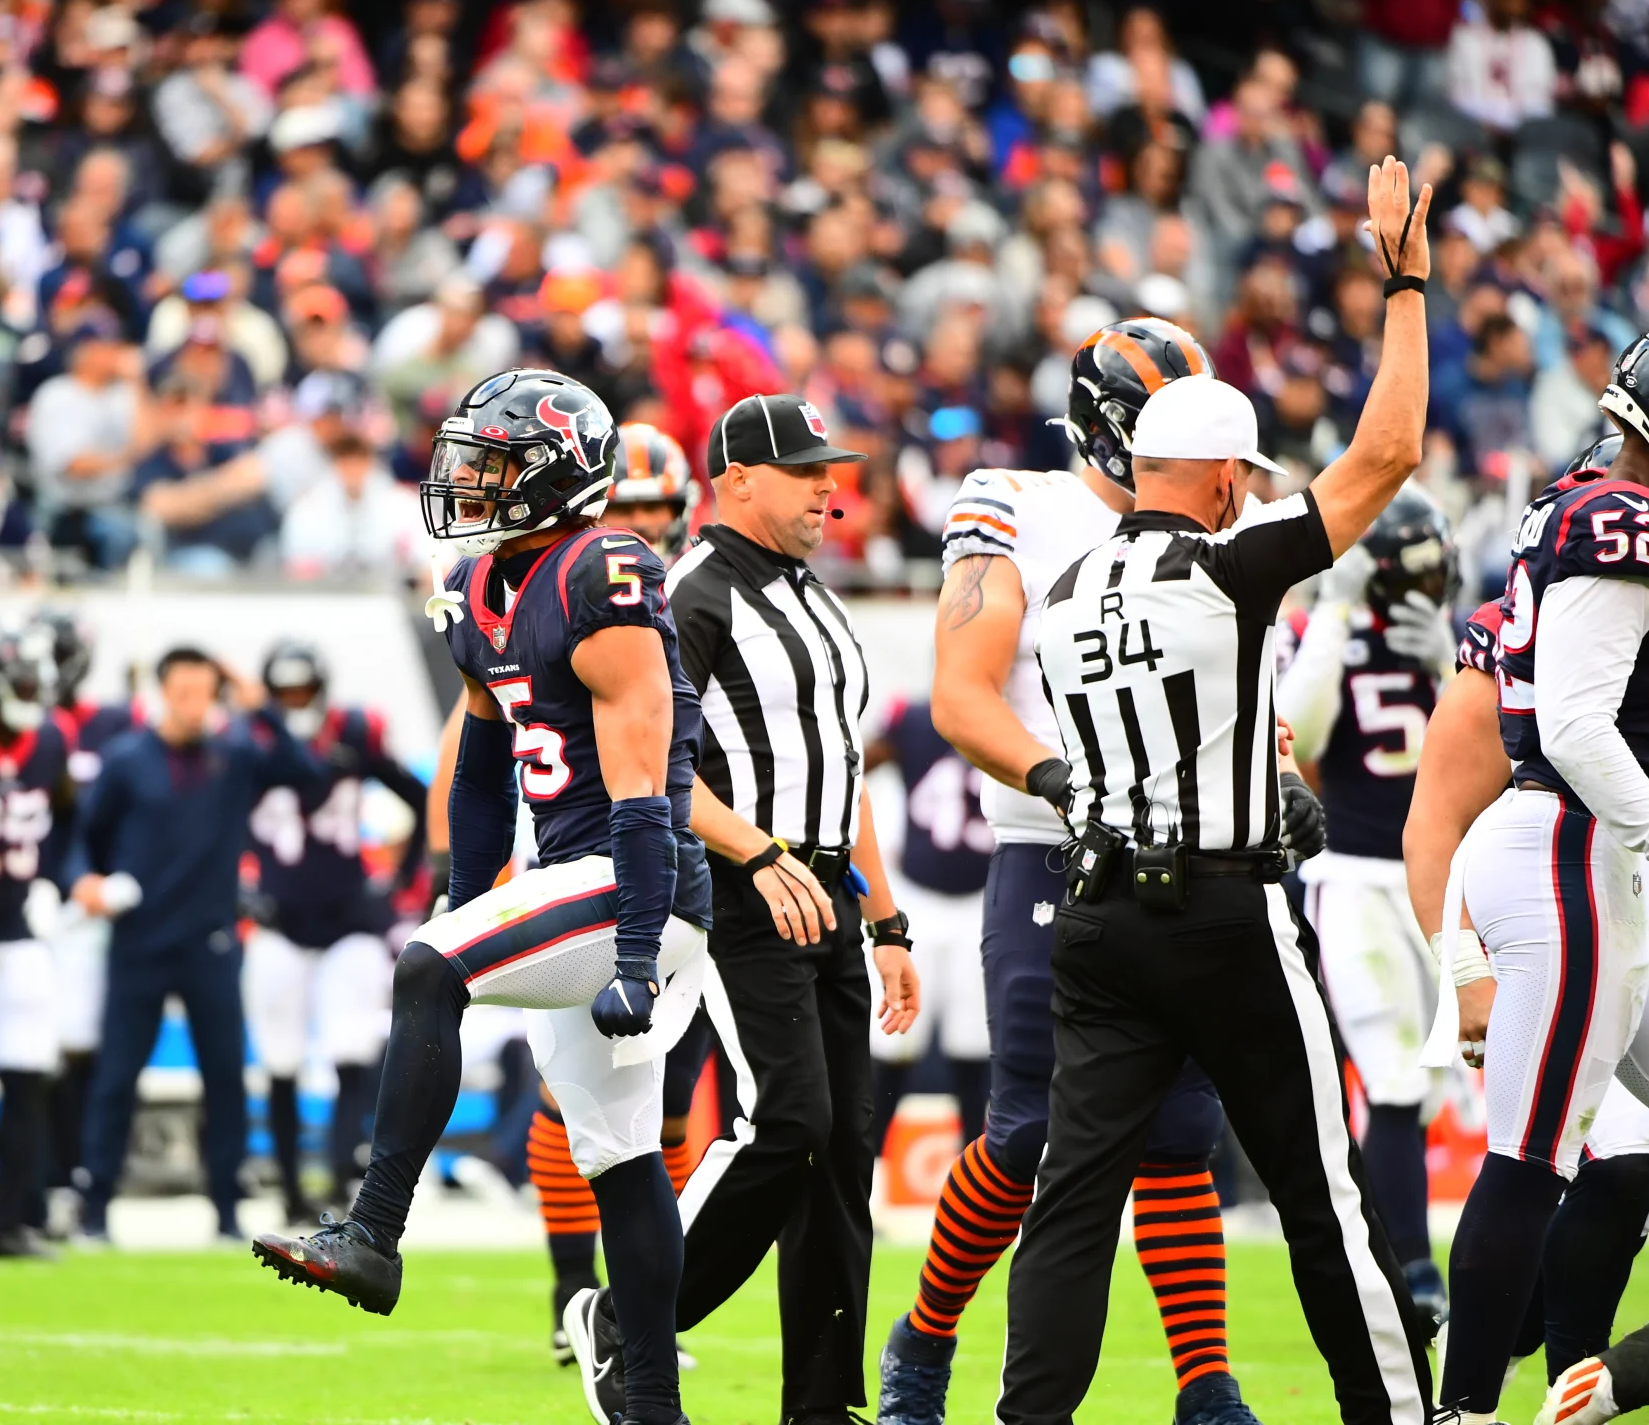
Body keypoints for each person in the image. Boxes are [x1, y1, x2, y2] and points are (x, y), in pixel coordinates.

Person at [997, 157, 1435, 1425]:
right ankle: (1394, 1416)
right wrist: (1399, 279)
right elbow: (1388, 448)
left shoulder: (1071, 590)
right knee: (1320, 1202)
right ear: (1229, 479)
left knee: (1072, 1208)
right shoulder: (1229, 566)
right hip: (1223, 915)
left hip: (1094, 918)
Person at [253, 369, 710, 1425]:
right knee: (623, 1160)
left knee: (428, 968)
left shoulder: (605, 569)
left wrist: (638, 957)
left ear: (556, 473)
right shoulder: (475, 586)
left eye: (494, 464)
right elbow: (477, 761)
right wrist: (465, 893)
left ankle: (372, 1235)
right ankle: (653, 1405)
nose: (466, 481)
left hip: (635, 880)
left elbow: (644, 789)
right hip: (578, 876)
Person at [878, 317, 1313, 1425]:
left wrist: (1274, 767)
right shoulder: (1014, 506)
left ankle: (1204, 1384)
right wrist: (1067, 783)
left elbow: (1231, 682)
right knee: (1027, 1125)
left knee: (1179, 1129)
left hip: (1199, 861)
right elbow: (962, 692)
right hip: (1051, 849)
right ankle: (921, 1342)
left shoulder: (1225, 510)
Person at [567, 392, 920, 1425]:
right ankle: (630, 1317)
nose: (827, 487)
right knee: (789, 1123)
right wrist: (758, 853)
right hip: (738, 888)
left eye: (829, 470)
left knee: (843, 1154)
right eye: (806, 470)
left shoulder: (817, 596)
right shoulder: (686, 596)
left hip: (827, 896)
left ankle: (820, 1407)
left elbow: (840, 772)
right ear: (735, 480)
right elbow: (654, 766)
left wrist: (886, 919)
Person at [1427, 343, 1649, 1420]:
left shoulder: (1575, 502)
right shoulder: (1618, 517)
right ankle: (1466, 1410)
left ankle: (1587, 1383)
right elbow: (1570, 722)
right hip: (1575, 850)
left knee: (1598, 1158)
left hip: (1578, 850)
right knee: (1526, 1160)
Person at [520, 419, 708, 1363]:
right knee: (572, 1100)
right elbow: (473, 748)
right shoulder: (569, 591)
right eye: (621, 506)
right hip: (595, 865)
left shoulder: (697, 594)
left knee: (668, 1111)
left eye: (650, 509)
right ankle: (571, 1291)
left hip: (688, 878)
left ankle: (635, 1313)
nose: (633, 525)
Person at [1274, 486, 1459, 1330]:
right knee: (1389, 1075)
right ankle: (1412, 1271)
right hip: (1354, 878)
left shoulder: (1462, 643)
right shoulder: (1330, 639)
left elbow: (1513, 750)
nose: (1431, 581)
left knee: (1444, 1084)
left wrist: (1453, 666)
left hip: (1448, 882)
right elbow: (1300, 738)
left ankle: (1496, 1275)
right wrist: (1335, 615)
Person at [73, 647, 323, 1242]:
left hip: (210, 940)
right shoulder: (127, 760)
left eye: (205, 693)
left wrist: (260, 706)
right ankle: (94, 1210)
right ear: (162, 691)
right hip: (139, 941)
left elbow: (306, 773)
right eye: (183, 692)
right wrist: (84, 881)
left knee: (226, 1079)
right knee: (115, 1077)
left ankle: (227, 1211)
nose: (194, 705)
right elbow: (84, 837)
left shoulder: (233, 757)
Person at [243, 642, 426, 1221]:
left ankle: (337, 1178)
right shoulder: (253, 744)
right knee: (281, 1059)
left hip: (349, 917)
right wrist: (239, 887)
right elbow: (213, 818)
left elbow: (418, 797)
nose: (295, 703)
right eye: (285, 692)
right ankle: (292, 1191)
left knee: (352, 1050)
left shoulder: (353, 736)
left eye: (303, 690)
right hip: (280, 919)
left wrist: (397, 878)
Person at [862, 696, 990, 1157]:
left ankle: (976, 1184)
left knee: (975, 1046)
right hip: (916, 898)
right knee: (893, 1041)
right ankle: (866, 1177)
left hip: (982, 898)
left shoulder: (1011, 715)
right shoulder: (913, 719)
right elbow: (852, 769)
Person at [0, 623, 71, 1257]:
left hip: (19, 930)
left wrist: (61, 879)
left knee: (27, 1075)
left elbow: (72, 817)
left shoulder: (49, 740)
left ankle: (16, 1219)